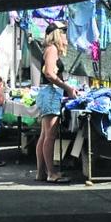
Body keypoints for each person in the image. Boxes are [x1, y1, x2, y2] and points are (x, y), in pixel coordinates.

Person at [35, 22, 76, 184]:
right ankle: (51, 172)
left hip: (47, 93)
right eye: (64, 31)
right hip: (51, 93)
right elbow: (50, 73)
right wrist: (67, 87)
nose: (66, 35)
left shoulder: (48, 49)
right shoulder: (52, 49)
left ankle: (41, 172)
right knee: (49, 136)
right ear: (58, 33)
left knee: (44, 135)